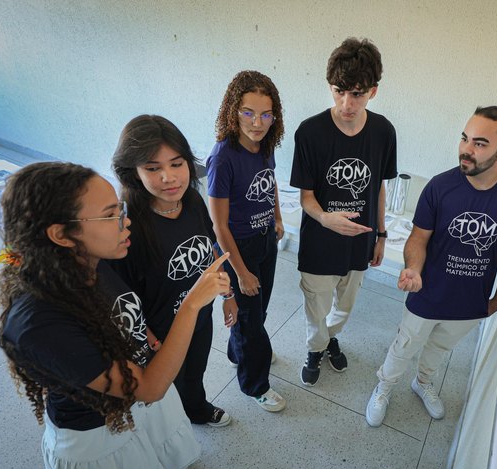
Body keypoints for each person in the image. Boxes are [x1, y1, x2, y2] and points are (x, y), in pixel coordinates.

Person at [0, 162, 231, 469]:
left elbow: (115, 304)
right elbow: (149, 388)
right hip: (100, 437)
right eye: (109, 216)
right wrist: (191, 304)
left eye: (119, 210)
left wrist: (140, 328)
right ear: (61, 234)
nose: (126, 222)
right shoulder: (39, 324)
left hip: (134, 405)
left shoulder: (89, 258)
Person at [365, 106, 497, 427]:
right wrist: (413, 268)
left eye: (479, 143)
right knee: (404, 346)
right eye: (464, 138)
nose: (466, 150)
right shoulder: (440, 187)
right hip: (427, 293)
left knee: (439, 348)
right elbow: (417, 239)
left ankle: (423, 382)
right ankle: (384, 386)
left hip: (471, 302)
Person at [110, 115, 238, 427]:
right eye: (153, 168)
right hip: (159, 334)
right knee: (163, 395)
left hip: (199, 316)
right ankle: (170, 445)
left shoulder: (192, 199)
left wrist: (228, 294)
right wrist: (149, 337)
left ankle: (197, 410)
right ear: (133, 172)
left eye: (176, 164)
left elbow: (210, 251)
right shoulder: (127, 226)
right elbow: (119, 293)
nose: (169, 177)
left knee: (194, 373)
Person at [291, 37, 398, 386]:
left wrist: (381, 234)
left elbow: (378, 186)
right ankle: (315, 346)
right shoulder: (309, 132)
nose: (346, 103)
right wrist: (325, 218)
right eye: (339, 91)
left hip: (360, 240)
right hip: (320, 241)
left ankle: (327, 339)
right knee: (316, 306)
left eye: (357, 93)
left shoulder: (383, 132)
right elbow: (306, 196)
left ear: (374, 91)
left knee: (345, 304)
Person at [206, 70, 286, 412]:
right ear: (233, 111)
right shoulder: (223, 157)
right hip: (237, 247)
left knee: (258, 309)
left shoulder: (265, 145)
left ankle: (240, 351)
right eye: (248, 113)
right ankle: (255, 384)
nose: (257, 122)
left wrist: (278, 216)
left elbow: (270, 182)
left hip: (265, 238)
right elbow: (218, 225)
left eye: (266, 114)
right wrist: (239, 272)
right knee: (250, 318)